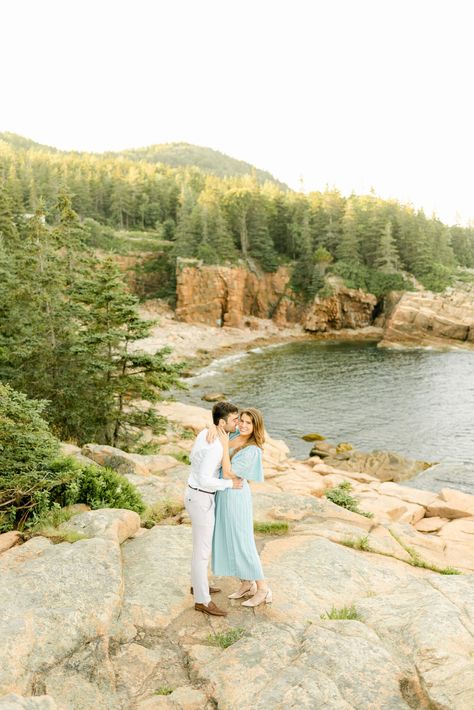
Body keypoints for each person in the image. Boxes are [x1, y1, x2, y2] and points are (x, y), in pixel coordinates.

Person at [184, 401, 243, 617]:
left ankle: (199, 585)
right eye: (234, 420)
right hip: (200, 498)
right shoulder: (215, 445)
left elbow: (192, 459)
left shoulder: (206, 434)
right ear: (222, 422)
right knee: (201, 551)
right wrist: (230, 484)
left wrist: (211, 428)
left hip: (195, 495)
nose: (237, 423)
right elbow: (204, 479)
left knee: (201, 548)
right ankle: (202, 600)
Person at [212, 407, 272, 608]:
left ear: (256, 426)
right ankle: (246, 583)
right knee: (230, 538)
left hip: (236, 496)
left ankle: (262, 587)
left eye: (249, 423)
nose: (244, 425)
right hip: (224, 492)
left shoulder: (252, 449)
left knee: (243, 541)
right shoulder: (235, 434)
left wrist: (222, 445)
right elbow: (219, 429)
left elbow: (229, 472)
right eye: (242, 421)